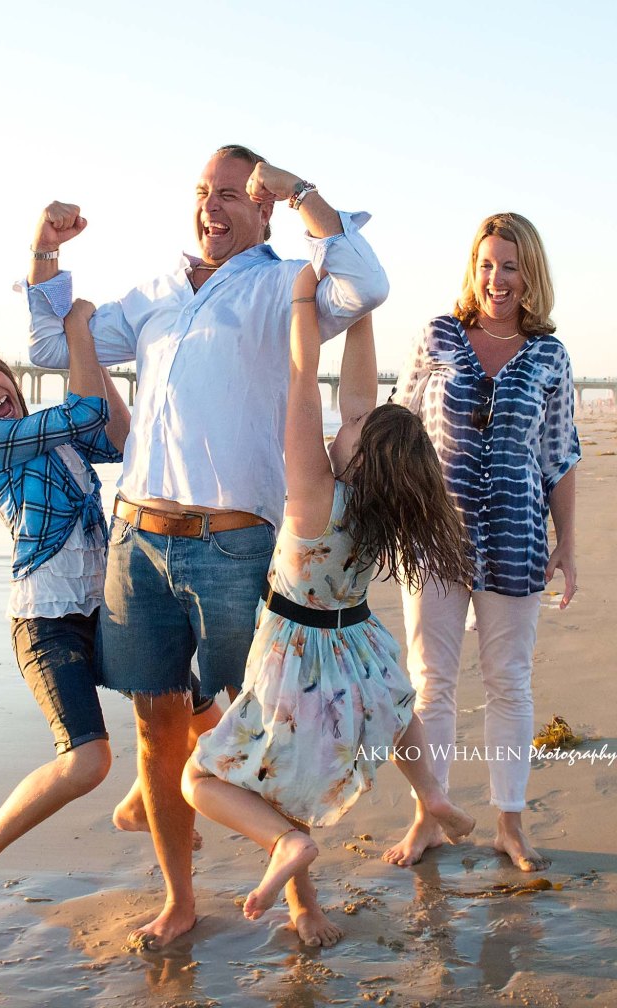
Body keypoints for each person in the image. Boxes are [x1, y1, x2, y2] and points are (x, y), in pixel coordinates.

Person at [24, 144, 390, 948]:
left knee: (269, 722)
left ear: (261, 210)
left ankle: (301, 899)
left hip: (236, 545)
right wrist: (47, 256)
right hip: (139, 539)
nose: (212, 206)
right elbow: (54, 347)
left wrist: (305, 195)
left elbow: (367, 284)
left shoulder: (282, 284)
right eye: (203, 192)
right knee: (157, 726)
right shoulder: (155, 291)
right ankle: (179, 900)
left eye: (231, 194)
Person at [181, 268, 476, 947]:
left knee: (207, 781)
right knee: (396, 712)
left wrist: (305, 307)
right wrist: (363, 312)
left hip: (296, 659)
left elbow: (301, 383)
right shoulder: (379, 507)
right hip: (359, 654)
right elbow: (358, 398)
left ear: (357, 454)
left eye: (360, 425)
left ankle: (286, 853)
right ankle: (431, 794)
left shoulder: (313, 494)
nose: (353, 416)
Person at [385, 212, 580, 872]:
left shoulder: (550, 355)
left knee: (509, 684)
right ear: (474, 270)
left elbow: (559, 456)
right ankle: (430, 818)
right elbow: (401, 430)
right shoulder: (438, 336)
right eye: (487, 264)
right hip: (434, 540)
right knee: (431, 683)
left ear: (531, 276)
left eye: (512, 265)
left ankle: (510, 825)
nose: (497, 278)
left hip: (518, 539)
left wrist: (569, 545)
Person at [0, 302, 130, 928]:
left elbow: (117, 434)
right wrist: (77, 335)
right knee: (88, 761)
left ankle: (149, 802)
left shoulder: (49, 428)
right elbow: (89, 412)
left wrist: (90, 352)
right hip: (46, 622)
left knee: (187, 701)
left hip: (101, 604)